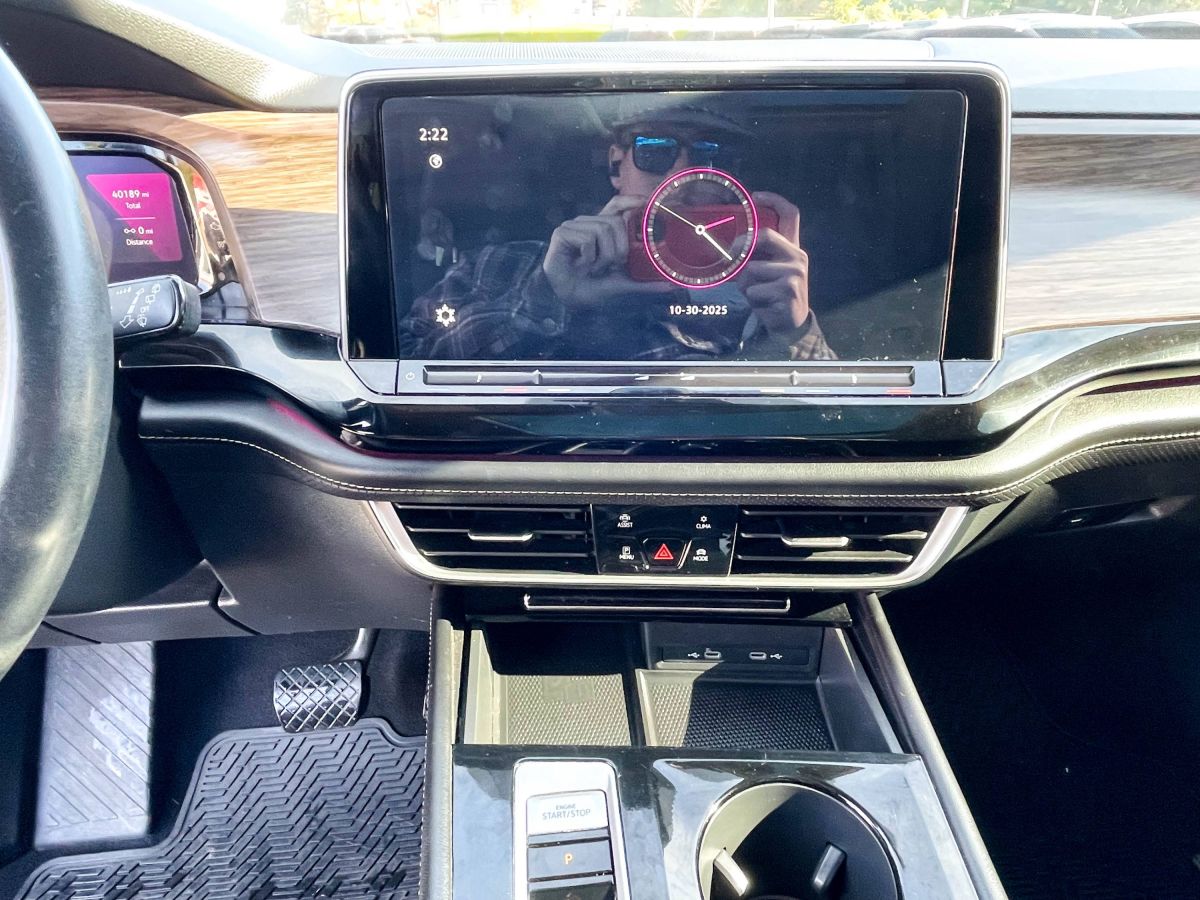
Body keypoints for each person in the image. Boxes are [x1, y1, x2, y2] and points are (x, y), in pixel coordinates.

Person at [395, 104, 835, 361]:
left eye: (711, 154)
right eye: (655, 149)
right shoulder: (503, 266)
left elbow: (837, 425)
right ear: (615, 164)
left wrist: (793, 334)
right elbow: (403, 368)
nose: (683, 172)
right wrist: (549, 298)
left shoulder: (766, 283)